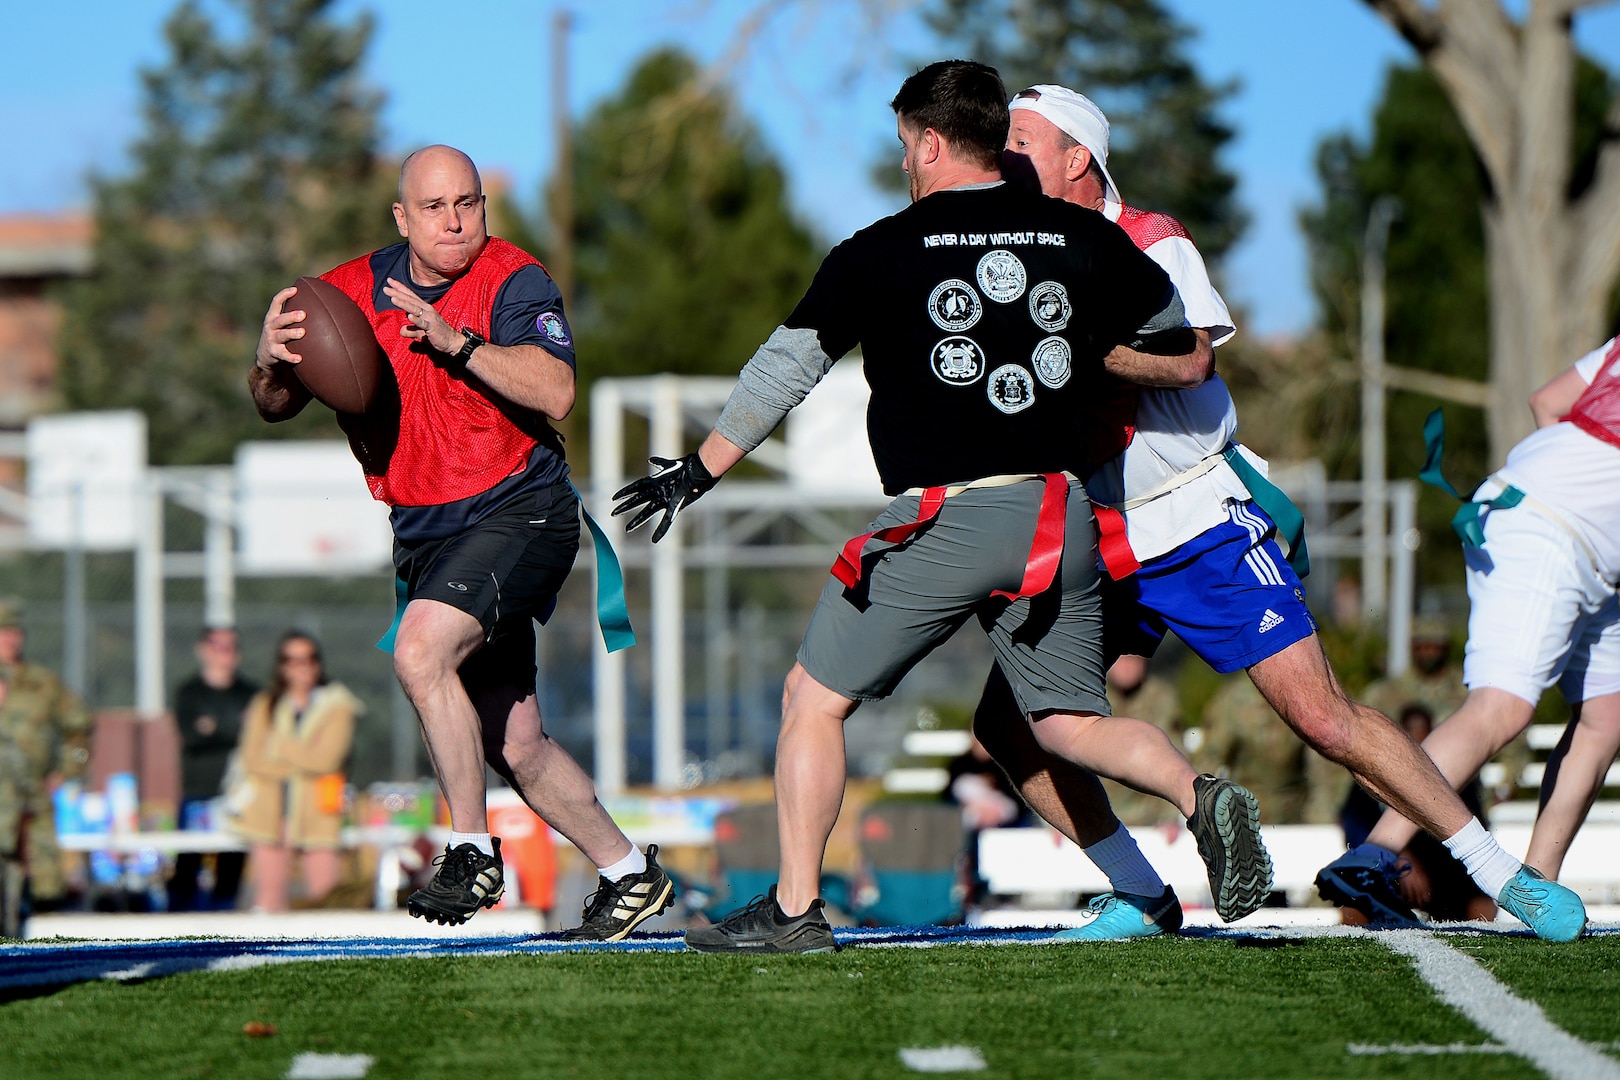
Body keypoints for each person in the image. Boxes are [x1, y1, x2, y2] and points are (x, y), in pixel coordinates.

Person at [616, 60, 1269, 954]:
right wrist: (1075, 353)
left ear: (929, 141)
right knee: (1068, 722)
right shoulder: (1076, 236)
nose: (901, 165)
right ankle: (1201, 797)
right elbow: (1182, 346)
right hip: (1064, 512)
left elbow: (786, 368)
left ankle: (798, 909)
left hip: (953, 518)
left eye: (902, 147)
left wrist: (699, 469)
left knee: (811, 698)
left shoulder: (878, 249)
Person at [964, 83, 1587, 942]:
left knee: (1323, 716)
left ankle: (1500, 872)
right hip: (1092, 527)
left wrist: (1078, 354)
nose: (1002, 155)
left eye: (1021, 139)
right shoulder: (1012, 255)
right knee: (1005, 721)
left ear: (1079, 158)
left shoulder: (1151, 240)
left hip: (1195, 520)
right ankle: (1141, 891)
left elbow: (1187, 364)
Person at [250, 145, 671, 937]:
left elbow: (558, 390)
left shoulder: (515, 278)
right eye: (435, 207)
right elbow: (274, 403)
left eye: (468, 204)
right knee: (517, 742)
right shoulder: (342, 291)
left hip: (521, 510)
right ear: (402, 218)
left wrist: (458, 343)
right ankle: (629, 872)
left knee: (419, 654)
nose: (454, 222)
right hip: (426, 534)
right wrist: (270, 362)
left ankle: (471, 849)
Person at [1323, 336, 1620, 915]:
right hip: (1553, 530)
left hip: (1563, 533)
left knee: (1605, 719)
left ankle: (1537, 886)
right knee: (1500, 709)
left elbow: (1547, 401)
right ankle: (1377, 853)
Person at [224, 633, 357, 912]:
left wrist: (279, 746)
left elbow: (328, 761)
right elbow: (252, 759)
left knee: (327, 898)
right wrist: (305, 757)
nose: (301, 667)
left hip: (319, 813)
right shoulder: (265, 704)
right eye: (292, 660)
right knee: (269, 900)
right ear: (281, 666)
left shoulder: (338, 705)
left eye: (308, 659)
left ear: (318, 663)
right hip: (270, 814)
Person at [1337, 704, 1495, 924]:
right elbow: (1355, 827)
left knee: (1482, 903)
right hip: (1390, 870)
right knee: (1354, 898)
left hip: (1444, 874)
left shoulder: (1458, 776)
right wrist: (1399, 857)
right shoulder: (1373, 772)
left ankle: (1478, 952)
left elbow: (1475, 828)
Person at [0, 600, 94, 911]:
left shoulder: (43, 684)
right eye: (3, 632)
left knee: (44, 889)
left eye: (14, 632)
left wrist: (70, 769)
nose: (10, 640)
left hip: (32, 798)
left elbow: (80, 726)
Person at [168, 626, 257, 911]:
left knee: (231, 865)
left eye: (231, 647)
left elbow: (257, 738)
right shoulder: (189, 693)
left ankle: (225, 923)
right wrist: (237, 727)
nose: (225, 654)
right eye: (218, 647)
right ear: (204, 650)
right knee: (187, 864)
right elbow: (192, 737)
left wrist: (214, 728)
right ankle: (178, 922)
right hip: (199, 791)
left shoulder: (250, 692)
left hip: (238, 794)